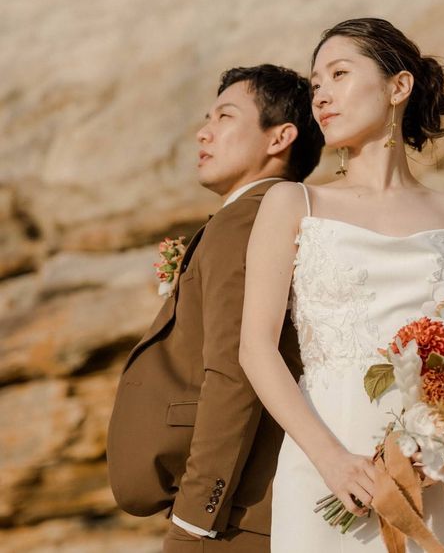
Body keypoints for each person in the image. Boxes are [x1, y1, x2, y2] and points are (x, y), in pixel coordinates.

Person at [239, 18, 444, 552]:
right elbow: (255, 348)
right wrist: (332, 461)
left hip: (438, 471)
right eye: (316, 84)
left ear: (398, 87)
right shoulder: (294, 202)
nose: (321, 96)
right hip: (329, 461)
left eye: (339, 74)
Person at [107, 64, 324, 553]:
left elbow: (235, 370)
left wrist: (195, 516)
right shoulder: (275, 215)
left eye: (225, 117)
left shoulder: (247, 220)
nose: (203, 133)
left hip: (234, 515)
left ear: (280, 138)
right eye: (208, 118)